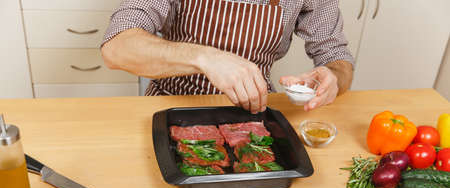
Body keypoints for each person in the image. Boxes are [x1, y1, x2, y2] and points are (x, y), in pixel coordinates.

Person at [101, 0, 354, 114]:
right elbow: (117, 48)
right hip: (171, 105)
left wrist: (333, 78)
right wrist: (205, 58)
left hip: (255, 111)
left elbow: (337, 57)